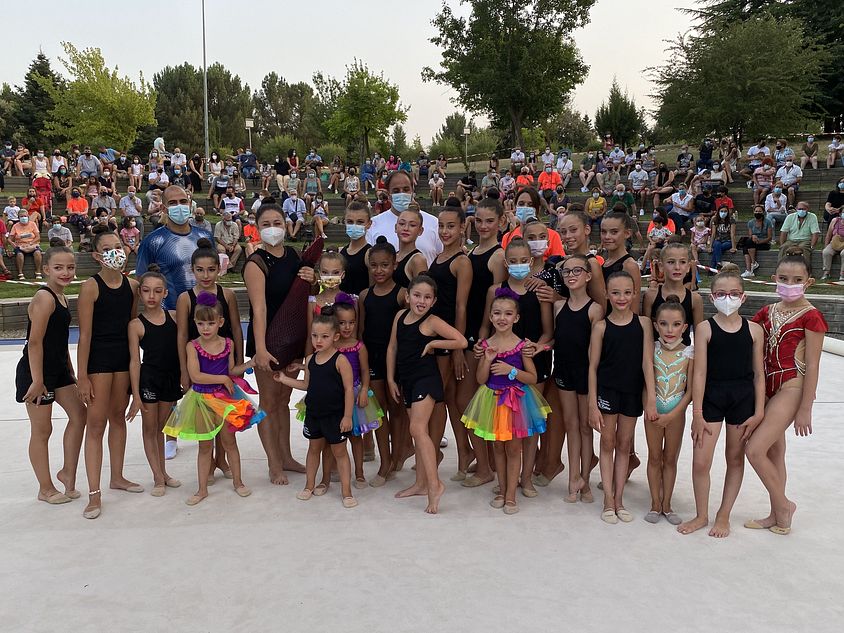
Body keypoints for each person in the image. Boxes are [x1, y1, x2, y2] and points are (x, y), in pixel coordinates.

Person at [678, 265, 765, 537]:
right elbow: (700, 372)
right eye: (721, 293)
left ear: (743, 297)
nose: (727, 298)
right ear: (712, 296)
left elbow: (759, 374)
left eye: (733, 293)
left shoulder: (754, 330)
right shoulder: (704, 329)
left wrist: (760, 410)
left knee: (734, 459)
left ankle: (723, 514)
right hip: (712, 397)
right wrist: (698, 412)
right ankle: (701, 514)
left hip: (742, 399)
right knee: (700, 462)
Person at [746, 256, 826, 535]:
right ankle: (776, 515)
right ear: (774, 279)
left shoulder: (811, 316)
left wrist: (806, 407)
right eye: (783, 279)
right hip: (765, 387)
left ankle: (783, 505)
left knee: (754, 450)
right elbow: (746, 337)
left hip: (791, 385)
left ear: (809, 282)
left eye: (796, 280)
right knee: (774, 452)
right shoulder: (767, 311)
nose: (789, 285)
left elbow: (814, 364)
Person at [163, 291, 263, 506]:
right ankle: (201, 489)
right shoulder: (193, 346)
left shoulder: (228, 344)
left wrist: (249, 364)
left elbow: (232, 370)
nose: (205, 328)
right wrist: (223, 378)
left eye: (210, 323)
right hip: (201, 399)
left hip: (225, 399)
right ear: (195, 323)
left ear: (220, 322)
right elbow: (195, 375)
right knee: (205, 446)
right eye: (200, 324)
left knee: (230, 442)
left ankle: (238, 482)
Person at [243, 203, 317, 484]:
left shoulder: (293, 256)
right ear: (257, 228)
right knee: (269, 403)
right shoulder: (256, 263)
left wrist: (313, 277)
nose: (272, 227)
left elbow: (302, 295)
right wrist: (260, 349)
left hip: (291, 341)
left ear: (286, 225)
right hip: (268, 342)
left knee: (284, 400)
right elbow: (259, 309)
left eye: (278, 222)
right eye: (266, 223)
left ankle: (286, 456)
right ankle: (273, 463)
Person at [462, 289, 551, 515]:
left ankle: (511, 494)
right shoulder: (485, 345)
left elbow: (532, 377)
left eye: (508, 314)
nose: (502, 318)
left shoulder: (522, 346)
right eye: (498, 313)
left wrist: (511, 371)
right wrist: (487, 360)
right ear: (490, 316)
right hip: (492, 400)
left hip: (516, 402)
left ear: (516, 318)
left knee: (513, 448)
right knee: (498, 448)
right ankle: (502, 489)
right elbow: (481, 379)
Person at [387, 275, 467, 514]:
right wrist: (391, 378)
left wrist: (433, 345)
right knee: (417, 432)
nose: (421, 301)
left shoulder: (432, 322)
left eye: (427, 297)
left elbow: (460, 340)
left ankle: (435, 485)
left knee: (417, 430)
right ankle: (421, 483)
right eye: (417, 295)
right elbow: (392, 347)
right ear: (408, 296)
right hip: (407, 380)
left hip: (426, 380)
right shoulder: (400, 317)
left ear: (433, 302)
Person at [77, 230, 141, 520]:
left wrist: (134, 365)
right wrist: (83, 376)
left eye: (119, 246)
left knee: (118, 419)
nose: (115, 251)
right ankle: (94, 493)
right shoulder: (91, 287)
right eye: (108, 248)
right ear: (96, 255)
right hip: (99, 362)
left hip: (122, 361)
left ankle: (117, 476)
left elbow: (131, 327)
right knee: (96, 425)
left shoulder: (133, 285)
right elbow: (85, 335)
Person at [15, 246, 86, 504]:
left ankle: (67, 472)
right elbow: (35, 343)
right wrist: (37, 380)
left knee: (79, 415)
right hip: (37, 372)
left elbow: (60, 340)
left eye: (70, 267)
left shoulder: (62, 297)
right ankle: (45, 488)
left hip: (58, 369)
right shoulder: (44, 298)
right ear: (46, 269)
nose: (65, 272)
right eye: (59, 268)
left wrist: (71, 372)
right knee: (42, 429)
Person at [588, 271, 657, 524]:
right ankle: (608, 500)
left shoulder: (644, 324)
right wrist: (591, 404)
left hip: (632, 392)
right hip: (607, 392)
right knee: (607, 443)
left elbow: (647, 362)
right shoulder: (601, 327)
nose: (621, 297)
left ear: (634, 294)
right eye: (615, 292)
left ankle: (619, 499)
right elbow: (593, 367)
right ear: (606, 294)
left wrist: (649, 398)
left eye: (627, 292)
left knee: (624, 445)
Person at [276, 310, 357, 507]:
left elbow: (348, 390)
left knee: (339, 452)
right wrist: (284, 379)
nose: (318, 340)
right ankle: (309, 485)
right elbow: (306, 386)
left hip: (335, 416)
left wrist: (347, 416)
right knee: (313, 449)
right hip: (314, 414)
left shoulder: (341, 361)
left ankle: (347, 492)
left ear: (335, 337)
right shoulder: (310, 360)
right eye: (314, 336)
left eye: (324, 336)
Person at [126, 266, 183, 496]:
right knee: (150, 429)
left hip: (170, 378)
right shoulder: (136, 325)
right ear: (140, 293)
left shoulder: (175, 318)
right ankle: (157, 476)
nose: (152, 296)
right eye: (147, 291)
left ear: (165, 293)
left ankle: (164, 472)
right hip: (149, 380)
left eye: (157, 291)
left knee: (162, 427)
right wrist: (136, 396)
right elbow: (134, 362)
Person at [426, 204, 473, 481]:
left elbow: (461, 307)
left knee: (441, 397)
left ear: (462, 228)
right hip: (436, 334)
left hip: (449, 338)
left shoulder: (461, 261)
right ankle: (464, 452)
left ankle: (432, 451)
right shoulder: (441, 255)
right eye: (441, 226)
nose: (445, 231)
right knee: (451, 398)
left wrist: (459, 348)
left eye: (451, 226)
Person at [552, 253, 604, 503]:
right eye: (566, 272)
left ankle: (585, 480)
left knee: (585, 428)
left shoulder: (595, 310)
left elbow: (594, 354)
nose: (571, 275)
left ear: (588, 275)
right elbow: (558, 339)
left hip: (585, 374)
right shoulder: (558, 306)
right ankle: (574, 478)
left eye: (576, 271)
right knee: (571, 426)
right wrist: (540, 347)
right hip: (563, 371)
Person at [359, 238, 410, 484]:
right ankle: (385, 462)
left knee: (398, 412)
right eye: (374, 266)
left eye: (385, 265)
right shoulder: (364, 296)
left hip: (397, 361)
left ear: (395, 265)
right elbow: (359, 333)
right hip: (373, 360)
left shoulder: (402, 295)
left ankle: (398, 456)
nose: (379, 271)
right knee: (379, 414)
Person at [643, 295, 694, 525]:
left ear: (684, 327)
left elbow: (690, 390)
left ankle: (667, 504)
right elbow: (647, 382)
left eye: (675, 324)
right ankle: (655, 503)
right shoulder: (651, 349)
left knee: (670, 458)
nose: (669, 329)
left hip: (676, 414)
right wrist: (650, 405)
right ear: (655, 325)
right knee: (654, 457)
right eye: (663, 324)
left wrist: (674, 414)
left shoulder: (690, 353)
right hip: (653, 412)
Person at [136, 185, 213, 312]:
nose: (179, 206)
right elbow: (142, 280)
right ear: (163, 208)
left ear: (189, 205)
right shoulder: (152, 241)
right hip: (169, 315)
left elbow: (213, 272)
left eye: (183, 201)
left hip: (203, 316)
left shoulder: (205, 237)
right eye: (172, 203)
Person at [366, 170, 442, 265]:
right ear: (389, 194)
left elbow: (443, 257)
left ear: (412, 191)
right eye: (396, 191)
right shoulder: (374, 224)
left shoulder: (433, 223)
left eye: (406, 190)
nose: (401, 194)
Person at [339, 201, 372, 295]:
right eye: (350, 222)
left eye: (360, 222)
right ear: (344, 222)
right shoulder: (341, 252)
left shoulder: (369, 253)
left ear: (369, 224)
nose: (354, 226)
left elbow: (372, 290)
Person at [778, 201, 820, 273]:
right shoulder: (790, 217)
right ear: (796, 208)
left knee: (804, 248)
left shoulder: (813, 217)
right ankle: (780, 270)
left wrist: (812, 246)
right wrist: (782, 244)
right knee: (784, 247)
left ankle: (806, 272)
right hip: (791, 240)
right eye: (800, 209)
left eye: (804, 209)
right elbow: (783, 232)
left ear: (808, 209)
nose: (801, 211)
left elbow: (815, 233)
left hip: (806, 240)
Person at [738, 206, 774, 278]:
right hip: (753, 242)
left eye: (759, 211)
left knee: (748, 244)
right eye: (756, 211)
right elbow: (750, 235)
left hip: (764, 243)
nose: (757, 213)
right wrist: (753, 236)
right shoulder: (751, 222)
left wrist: (760, 241)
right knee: (746, 246)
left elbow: (769, 237)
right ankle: (749, 270)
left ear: (763, 212)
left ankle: (752, 265)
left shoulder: (768, 222)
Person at [8, 212, 42, 280]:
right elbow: (9, 239)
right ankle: (20, 273)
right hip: (20, 245)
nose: (24, 218)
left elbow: (38, 237)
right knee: (20, 254)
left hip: (31, 244)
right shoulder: (15, 226)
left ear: (28, 217)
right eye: (21, 216)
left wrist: (31, 243)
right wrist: (13, 244)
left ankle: (38, 272)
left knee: (37, 253)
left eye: (25, 216)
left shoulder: (33, 224)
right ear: (19, 218)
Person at [821, 213, 844, 280]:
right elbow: (828, 235)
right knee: (826, 252)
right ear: (840, 214)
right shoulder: (835, 221)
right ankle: (826, 273)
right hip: (834, 242)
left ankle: (842, 274)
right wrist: (826, 246)